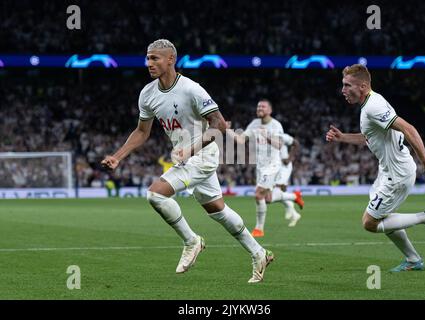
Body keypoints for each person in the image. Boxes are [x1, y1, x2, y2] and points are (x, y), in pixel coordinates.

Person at [101, 39, 273, 283]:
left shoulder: (192, 89)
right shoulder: (147, 94)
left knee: (156, 194)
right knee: (217, 210)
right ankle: (259, 253)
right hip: (186, 157)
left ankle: (192, 241)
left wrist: (190, 149)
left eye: (155, 58)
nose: (148, 63)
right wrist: (117, 156)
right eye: (148, 58)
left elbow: (219, 125)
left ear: (171, 59)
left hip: (202, 156)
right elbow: (141, 131)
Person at [326, 64, 425, 271]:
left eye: (347, 85)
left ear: (362, 86)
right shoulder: (371, 104)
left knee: (369, 223)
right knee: (385, 217)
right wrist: (343, 137)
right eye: (342, 85)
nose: (343, 90)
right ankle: (414, 260)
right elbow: (369, 137)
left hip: (397, 175)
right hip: (388, 171)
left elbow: (409, 128)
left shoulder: (373, 106)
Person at [229, 99, 304, 237]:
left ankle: (259, 229)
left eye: (263, 106)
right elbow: (240, 140)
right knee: (267, 199)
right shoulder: (254, 124)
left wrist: (267, 137)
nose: (259, 108)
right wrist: (227, 129)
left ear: (270, 110)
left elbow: (280, 145)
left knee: (258, 194)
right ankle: (294, 196)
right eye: (258, 106)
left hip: (273, 165)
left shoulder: (276, 125)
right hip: (260, 167)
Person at [274, 133, 303, 227]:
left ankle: (295, 198)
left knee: (276, 190)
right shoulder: (264, 138)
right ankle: (294, 213)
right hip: (276, 167)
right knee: (279, 191)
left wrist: (290, 158)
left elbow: (296, 144)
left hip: (284, 167)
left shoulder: (282, 136)